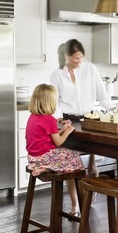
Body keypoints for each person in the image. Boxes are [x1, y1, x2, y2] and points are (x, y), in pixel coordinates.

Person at [50, 39, 110, 206]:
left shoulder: (91, 69)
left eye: (81, 57)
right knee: (72, 164)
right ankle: (75, 205)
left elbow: (102, 94)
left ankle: (90, 197)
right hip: (68, 122)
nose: (79, 61)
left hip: (89, 119)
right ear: (66, 56)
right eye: (76, 58)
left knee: (92, 162)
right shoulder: (57, 75)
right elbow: (53, 101)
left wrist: (112, 111)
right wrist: (58, 117)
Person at [25, 84, 85, 216]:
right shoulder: (50, 119)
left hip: (33, 158)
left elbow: (48, 137)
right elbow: (58, 141)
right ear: (50, 102)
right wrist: (68, 131)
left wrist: (62, 130)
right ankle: (49, 167)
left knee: (65, 154)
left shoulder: (33, 117)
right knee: (74, 155)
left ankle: (46, 167)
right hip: (45, 157)